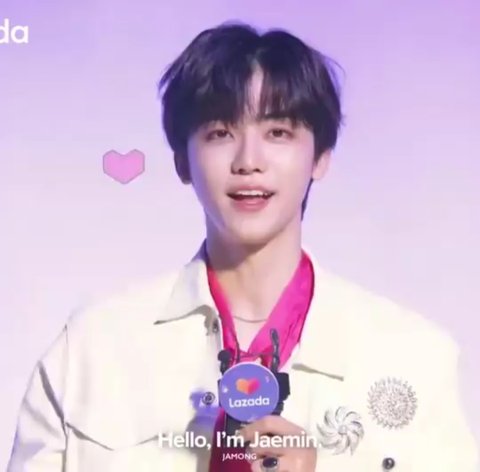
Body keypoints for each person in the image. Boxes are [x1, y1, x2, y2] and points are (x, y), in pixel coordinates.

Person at [7, 22, 478, 472]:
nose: (249, 161)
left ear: (320, 157)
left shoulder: (412, 356)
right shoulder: (91, 349)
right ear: (182, 161)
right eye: (220, 133)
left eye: (278, 133)